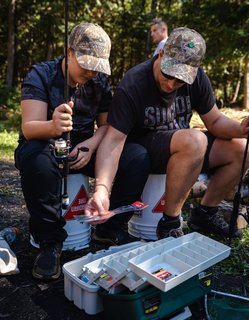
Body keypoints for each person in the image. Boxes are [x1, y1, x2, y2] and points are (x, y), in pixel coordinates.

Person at [85, 27, 249, 241]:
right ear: (160, 54)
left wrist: (241, 129)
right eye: (168, 74)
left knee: (244, 149)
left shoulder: (198, 79)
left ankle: (206, 213)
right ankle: (170, 222)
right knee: (195, 140)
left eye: (180, 80)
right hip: (144, 151)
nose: (170, 84)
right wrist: (102, 188)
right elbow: (113, 140)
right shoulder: (134, 83)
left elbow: (214, 121)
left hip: (185, 150)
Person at [14, 22, 150, 281]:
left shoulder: (99, 82)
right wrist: (53, 126)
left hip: (83, 148)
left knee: (137, 156)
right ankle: (49, 242)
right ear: (69, 52)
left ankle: (109, 227)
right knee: (37, 159)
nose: (91, 71)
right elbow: (29, 128)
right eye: (86, 63)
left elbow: (107, 126)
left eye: (97, 66)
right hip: (43, 144)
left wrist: (91, 145)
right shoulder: (41, 74)